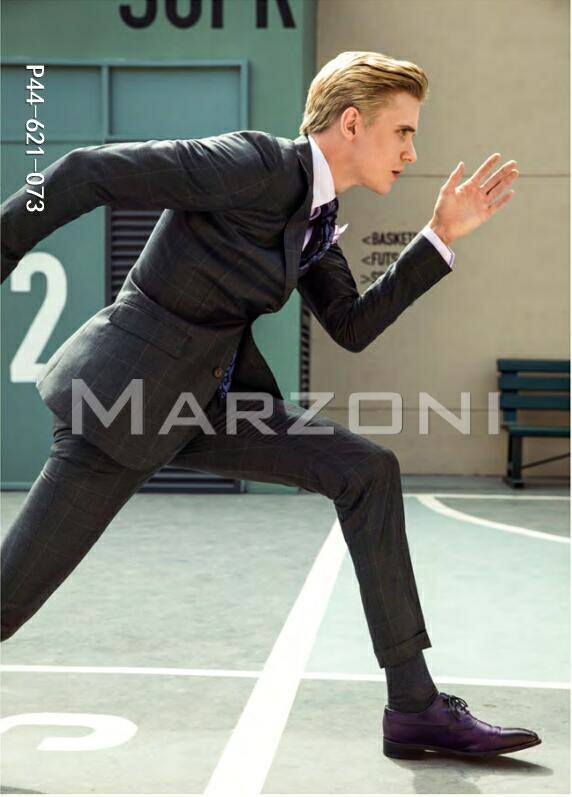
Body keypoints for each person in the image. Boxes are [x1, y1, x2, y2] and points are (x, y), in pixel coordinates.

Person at [0, 51, 540, 758]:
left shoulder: (316, 216)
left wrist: (437, 237)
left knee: (366, 470)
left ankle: (415, 707)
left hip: (206, 405)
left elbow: (351, 325)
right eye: (404, 131)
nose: (413, 151)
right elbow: (83, 171)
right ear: (353, 123)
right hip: (121, 404)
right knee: (8, 600)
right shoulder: (250, 164)